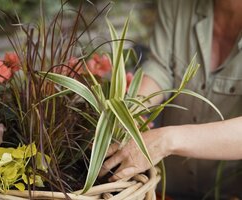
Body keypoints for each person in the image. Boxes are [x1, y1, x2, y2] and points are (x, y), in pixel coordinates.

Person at [99, 0, 242, 199]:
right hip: (166, 185)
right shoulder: (176, 4)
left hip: (229, 190)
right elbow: (161, 67)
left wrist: (165, 141)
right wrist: (130, 111)